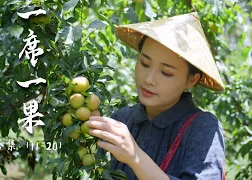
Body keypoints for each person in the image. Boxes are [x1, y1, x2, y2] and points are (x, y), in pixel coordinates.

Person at [87, 12, 226, 180]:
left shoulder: (202, 127)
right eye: (145, 63)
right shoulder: (122, 120)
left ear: (192, 80)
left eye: (166, 73)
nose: (149, 79)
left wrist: (135, 157)